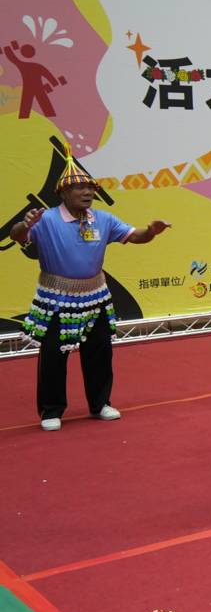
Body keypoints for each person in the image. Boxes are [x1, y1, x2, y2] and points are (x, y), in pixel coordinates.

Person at [10, 148, 170, 431]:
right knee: (53, 355)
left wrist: (151, 232)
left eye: (90, 188)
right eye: (80, 187)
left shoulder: (103, 219)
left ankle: (100, 403)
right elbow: (18, 237)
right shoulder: (45, 219)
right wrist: (24, 225)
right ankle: (51, 410)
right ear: (63, 192)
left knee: (99, 351)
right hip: (56, 298)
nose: (87, 192)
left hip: (96, 296)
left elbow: (135, 236)